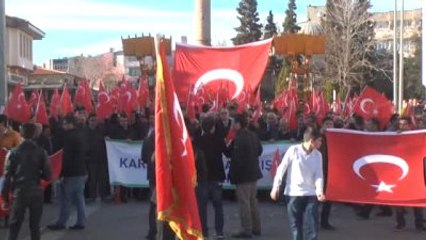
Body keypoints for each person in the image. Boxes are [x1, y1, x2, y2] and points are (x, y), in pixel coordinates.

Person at [270, 127, 326, 240]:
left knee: (313, 226)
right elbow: (281, 169)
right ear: (311, 140)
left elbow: (319, 174)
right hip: (293, 194)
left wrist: (319, 191)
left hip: (311, 194)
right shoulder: (293, 150)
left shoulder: (318, 155)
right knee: (296, 226)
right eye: (319, 140)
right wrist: (275, 187)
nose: (321, 143)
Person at [2, 122, 52, 240]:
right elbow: (48, 176)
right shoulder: (41, 152)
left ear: (21, 133)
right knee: (35, 227)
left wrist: (4, 198)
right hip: (36, 191)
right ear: (35, 134)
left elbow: (7, 177)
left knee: (14, 226)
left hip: (19, 192)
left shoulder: (12, 152)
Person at [48, 114, 88, 230]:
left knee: (66, 198)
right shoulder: (80, 134)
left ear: (71, 124)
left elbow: (67, 157)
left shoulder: (69, 137)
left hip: (71, 173)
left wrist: (62, 173)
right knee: (79, 198)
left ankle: (62, 222)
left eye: (65, 123)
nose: (63, 126)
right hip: (80, 171)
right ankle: (81, 221)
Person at [228, 114, 263, 238]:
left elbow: (238, 159)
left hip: (244, 175)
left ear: (238, 124)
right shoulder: (253, 135)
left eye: (233, 123)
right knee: (253, 201)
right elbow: (259, 150)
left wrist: (234, 176)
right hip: (253, 173)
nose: (231, 125)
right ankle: (256, 227)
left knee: (244, 203)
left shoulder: (240, 137)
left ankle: (247, 229)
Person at [195, 116, 227, 239]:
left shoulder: (198, 141)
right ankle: (219, 232)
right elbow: (228, 153)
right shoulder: (219, 140)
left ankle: (203, 231)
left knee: (202, 206)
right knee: (218, 206)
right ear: (213, 128)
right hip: (217, 176)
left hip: (202, 176)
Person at [394, 116, 424, 231]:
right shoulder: (395, 136)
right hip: (400, 174)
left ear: (409, 125)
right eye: (400, 124)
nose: (402, 127)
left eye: (404, 124)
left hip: (415, 174)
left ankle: (419, 224)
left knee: (416, 200)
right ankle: (400, 223)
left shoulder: (417, 136)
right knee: (399, 201)